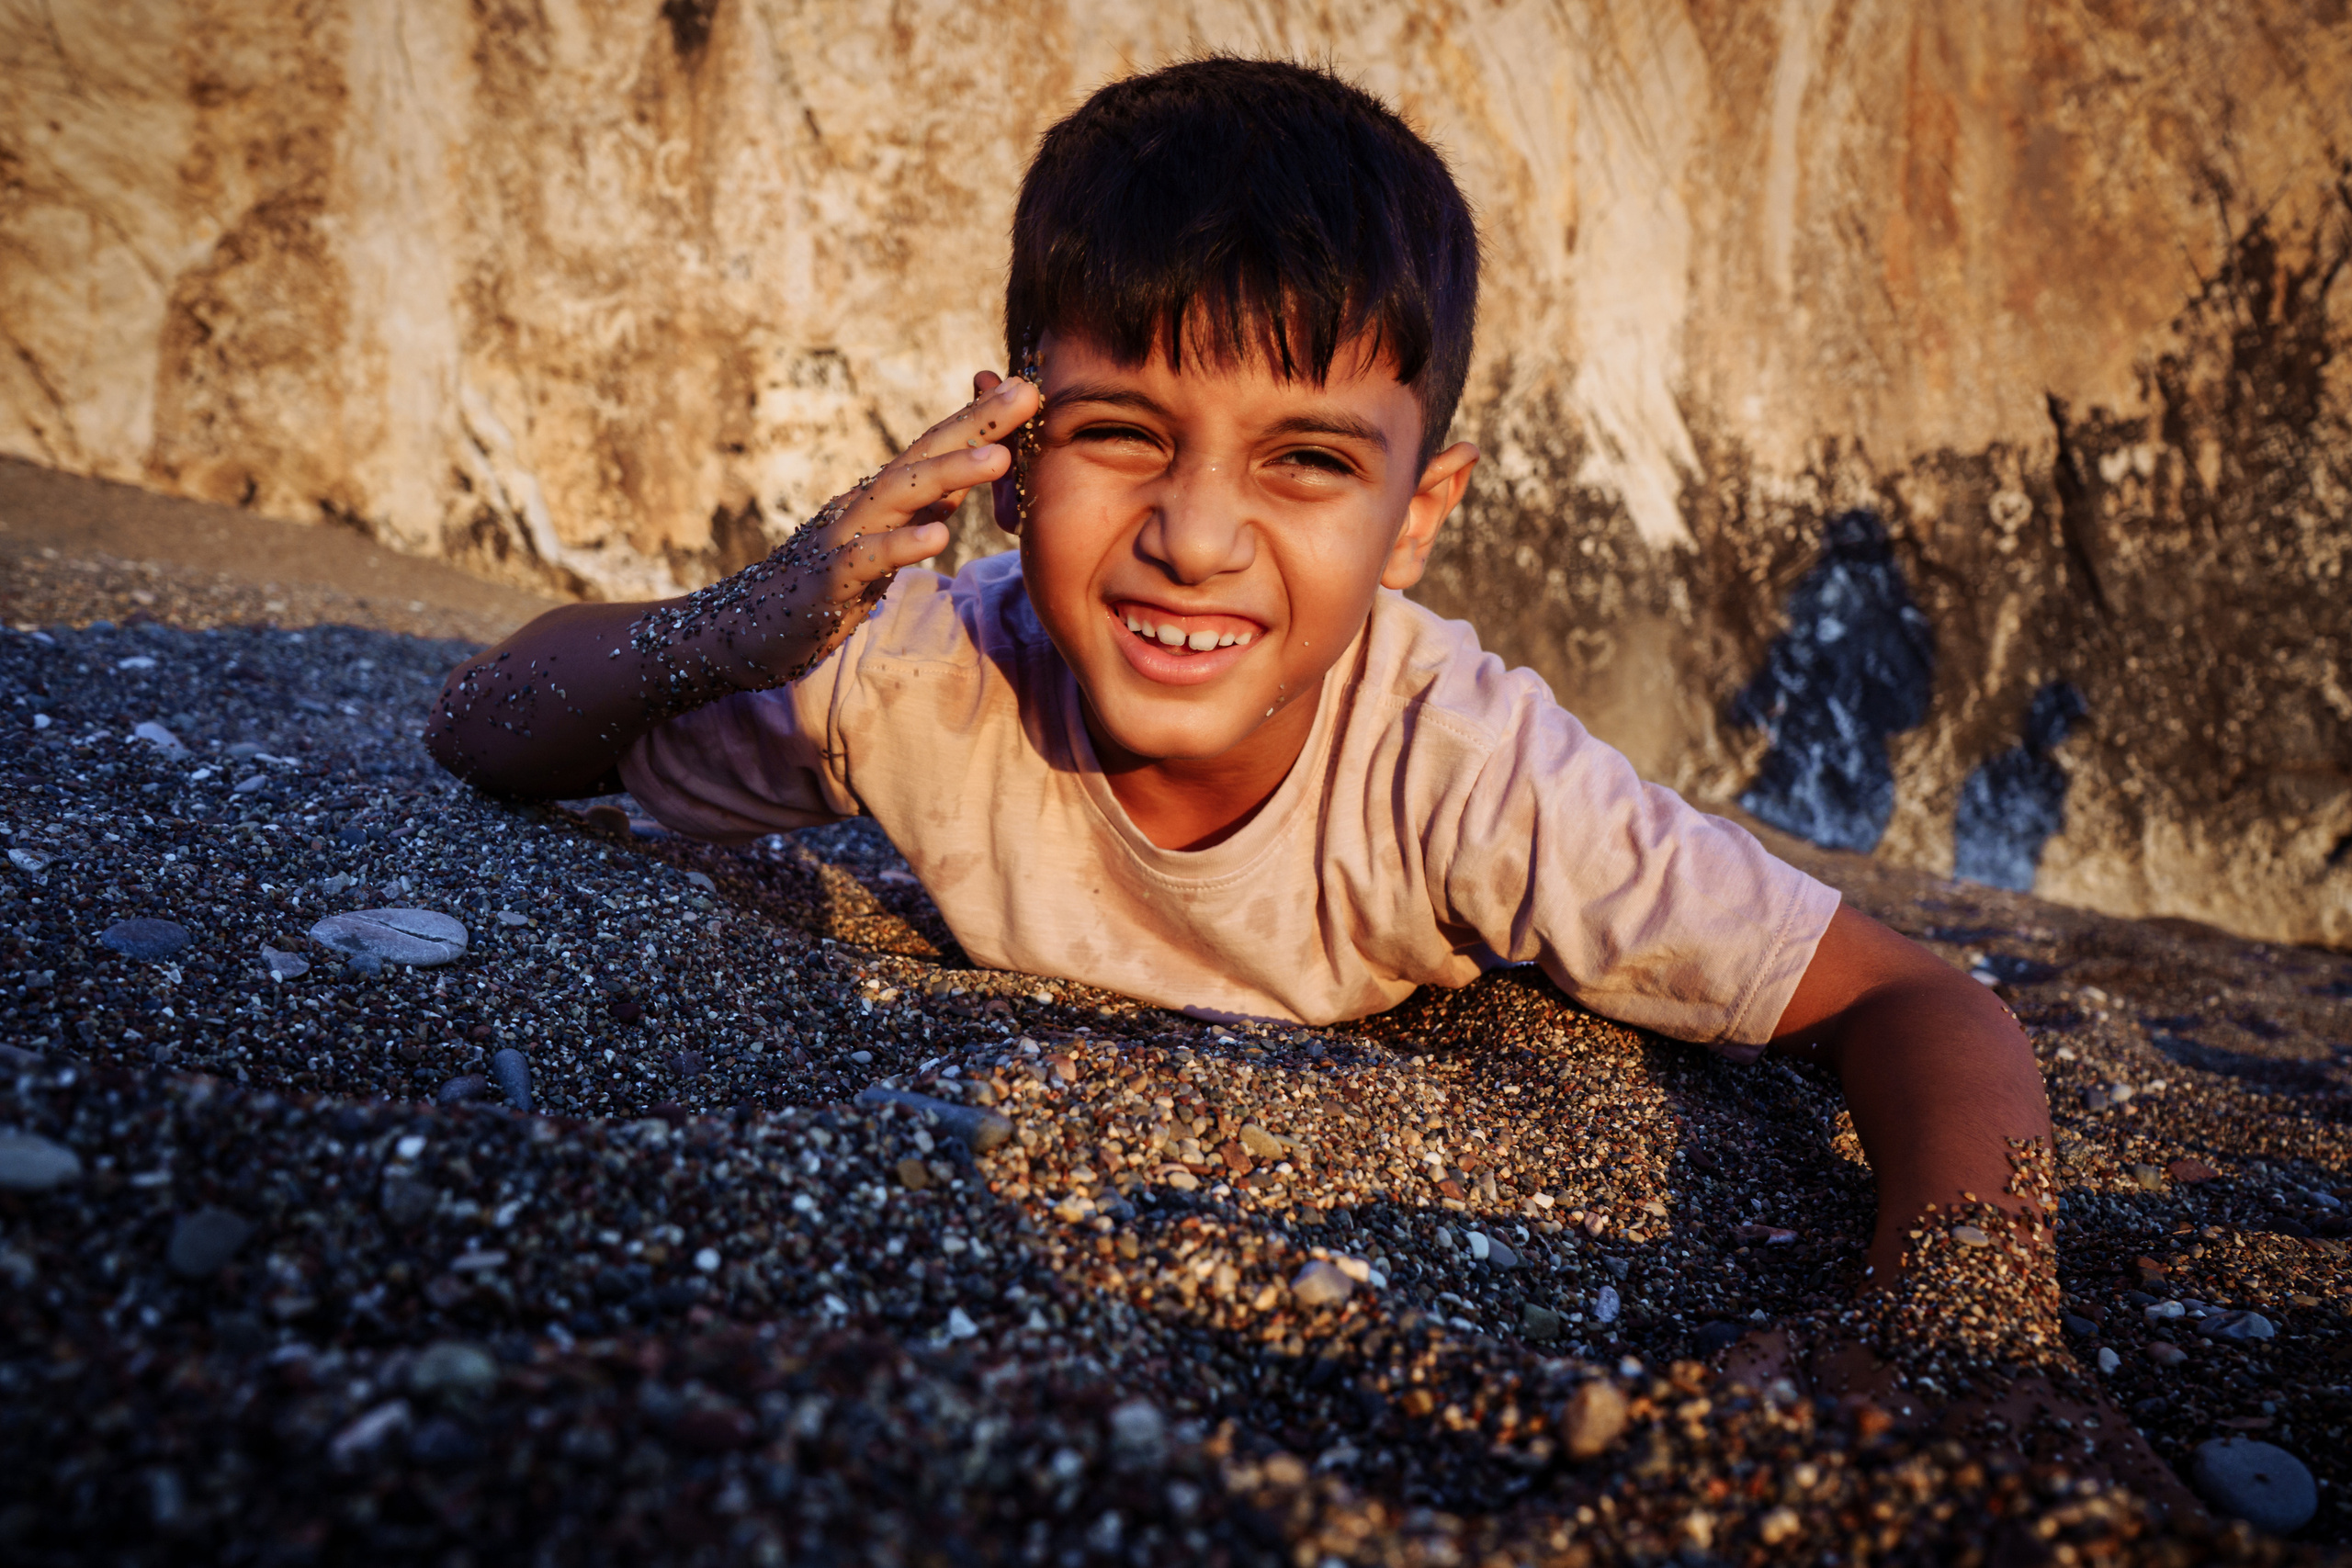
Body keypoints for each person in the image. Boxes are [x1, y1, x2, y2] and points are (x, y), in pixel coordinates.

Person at [426, 58, 2051, 1301]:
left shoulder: (1464, 772)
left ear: (1418, 516)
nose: (1195, 537)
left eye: (1309, 460)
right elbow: (484, 728)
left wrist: (1957, 1327)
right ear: (1009, 453)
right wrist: (743, 621)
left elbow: (1923, 1006)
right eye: (1121, 434)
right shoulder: (924, 673)